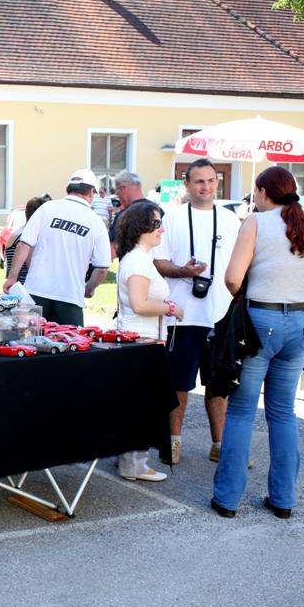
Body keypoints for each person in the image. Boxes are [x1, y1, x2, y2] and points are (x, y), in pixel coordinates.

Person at [210, 167, 304, 519]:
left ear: (263, 192)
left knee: (243, 410)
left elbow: (232, 278)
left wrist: (244, 290)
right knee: (283, 413)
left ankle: (228, 499)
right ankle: (283, 499)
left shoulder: (256, 222)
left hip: (261, 321)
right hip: (302, 321)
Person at [152, 159, 241, 465]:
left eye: (211, 181)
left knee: (219, 386)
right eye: (199, 181)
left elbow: (240, 265)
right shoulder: (172, 218)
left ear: (218, 184)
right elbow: (158, 262)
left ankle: (220, 446)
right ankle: (173, 443)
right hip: (183, 315)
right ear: (187, 185)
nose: (206, 187)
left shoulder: (231, 220)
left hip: (220, 315)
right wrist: (181, 271)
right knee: (178, 384)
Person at [114, 201, 179, 482]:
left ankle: (131, 461)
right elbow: (140, 304)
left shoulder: (137, 258)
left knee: (136, 404)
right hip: (140, 342)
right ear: (141, 228)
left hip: (141, 340)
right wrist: (170, 308)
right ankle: (133, 464)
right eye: (156, 223)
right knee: (140, 406)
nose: (161, 229)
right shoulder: (139, 261)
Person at [2, 169, 112, 326]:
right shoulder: (96, 222)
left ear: (68, 189)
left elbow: (24, 244)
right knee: (71, 346)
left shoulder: (47, 209)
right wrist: (88, 289)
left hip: (36, 292)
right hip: (70, 297)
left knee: (31, 344)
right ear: (91, 192)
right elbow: (102, 268)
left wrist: (12, 278)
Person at [3, 195, 50, 285]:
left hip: (16, 287)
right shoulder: (28, 237)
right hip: (26, 288)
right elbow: (32, 268)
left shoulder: (16, 233)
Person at [109, 170, 146, 256]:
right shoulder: (158, 211)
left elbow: (112, 250)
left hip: (130, 266)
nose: (119, 198)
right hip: (154, 267)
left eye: (117, 194)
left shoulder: (124, 215)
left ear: (122, 188)